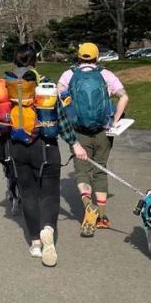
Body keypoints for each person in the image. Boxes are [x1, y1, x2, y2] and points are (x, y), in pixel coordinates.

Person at [4, 44, 88, 267]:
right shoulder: (45, 82)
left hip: (17, 147)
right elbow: (61, 117)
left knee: (28, 193)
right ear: (35, 60)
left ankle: (34, 243)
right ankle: (48, 229)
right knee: (49, 193)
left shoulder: (6, 83)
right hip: (46, 146)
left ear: (15, 59)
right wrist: (75, 144)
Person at [58, 42, 130, 236]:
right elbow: (124, 97)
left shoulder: (68, 75)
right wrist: (115, 119)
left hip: (79, 132)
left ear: (79, 56)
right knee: (100, 170)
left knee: (82, 172)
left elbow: (60, 98)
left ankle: (88, 205)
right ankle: (103, 217)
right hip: (103, 131)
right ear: (97, 57)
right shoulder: (106, 75)